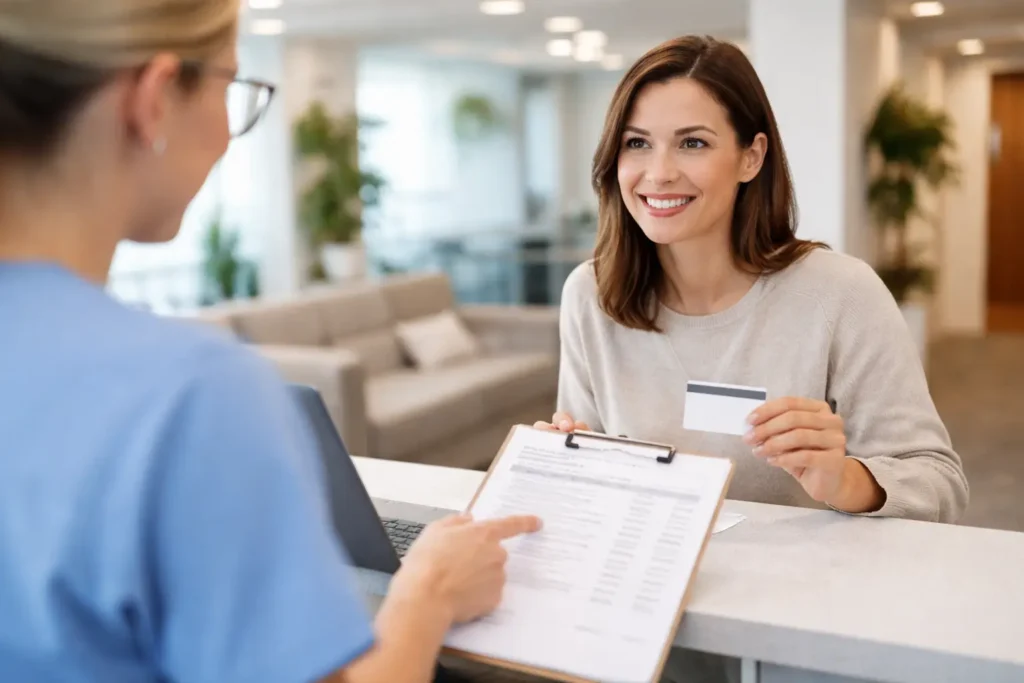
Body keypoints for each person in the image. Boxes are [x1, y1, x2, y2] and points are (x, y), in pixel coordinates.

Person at [0, 2, 540, 682]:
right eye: (233, 88)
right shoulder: (186, 393)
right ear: (155, 97)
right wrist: (427, 590)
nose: (229, 132)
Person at [536, 35, 968, 525]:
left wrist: (845, 478)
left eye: (692, 143)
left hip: (800, 589)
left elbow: (939, 482)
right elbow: (588, 476)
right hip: (645, 584)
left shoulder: (840, 293)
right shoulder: (591, 294)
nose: (658, 173)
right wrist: (561, 464)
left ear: (751, 157)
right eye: (637, 143)